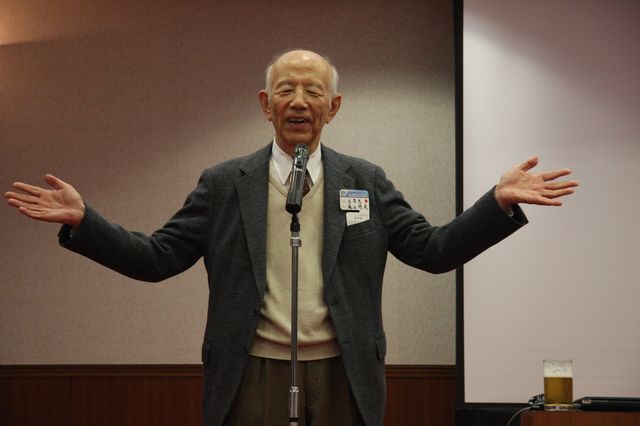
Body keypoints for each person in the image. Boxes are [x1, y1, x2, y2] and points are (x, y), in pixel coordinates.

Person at [4, 49, 578, 426]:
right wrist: (86, 221)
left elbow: (432, 250)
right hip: (250, 371)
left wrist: (496, 203)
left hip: (344, 372)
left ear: (333, 106)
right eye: (285, 90)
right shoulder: (225, 183)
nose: (299, 101)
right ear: (266, 104)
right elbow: (158, 257)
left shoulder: (365, 180)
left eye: (312, 91)